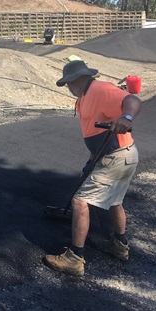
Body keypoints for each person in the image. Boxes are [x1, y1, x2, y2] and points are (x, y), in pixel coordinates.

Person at [44, 59, 141, 277]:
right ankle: (119, 245)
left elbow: (132, 99)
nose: (68, 88)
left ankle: (74, 258)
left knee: (80, 202)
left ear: (76, 80)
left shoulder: (100, 89)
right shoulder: (84, 98)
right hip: (118, 156)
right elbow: (96, 135)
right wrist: (91, 162)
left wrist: (126, 117)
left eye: (68, 83)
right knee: (114, 201)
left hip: (118, 155)